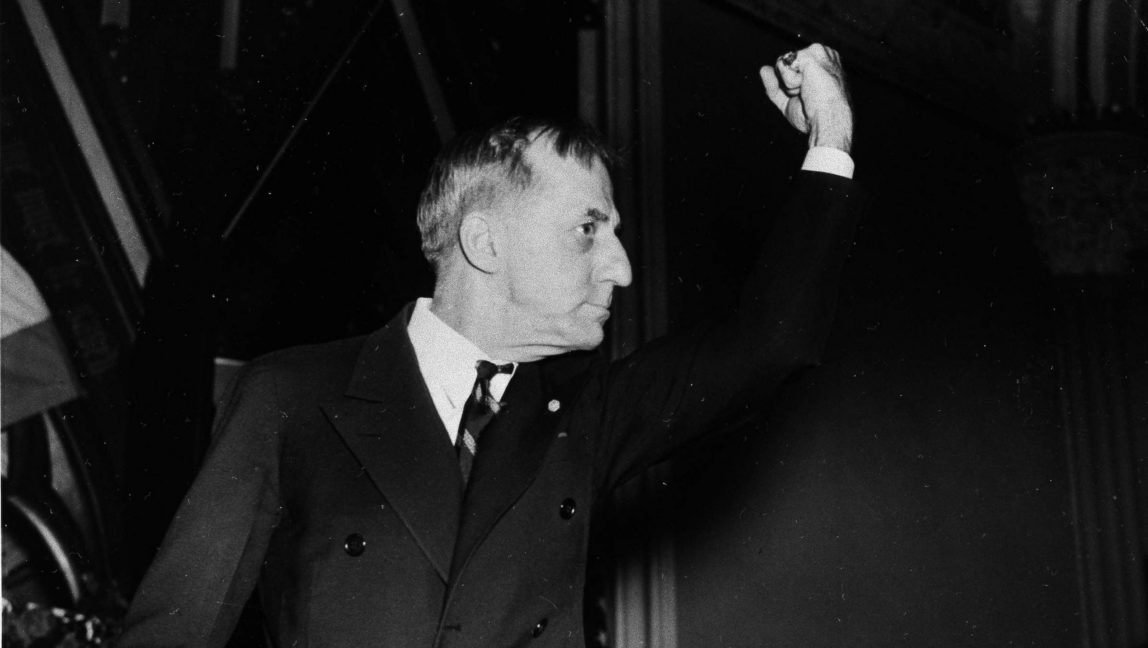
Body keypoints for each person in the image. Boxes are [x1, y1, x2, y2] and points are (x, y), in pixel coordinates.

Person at [118, 43, 862, 647]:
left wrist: (830, 140)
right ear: (485, 241)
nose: (624, 268)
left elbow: (774, 342)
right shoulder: (292, 397)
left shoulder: (585, 417)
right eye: (589, 230)